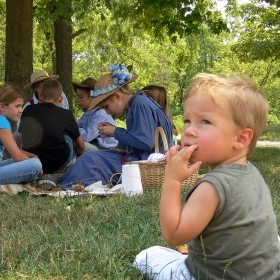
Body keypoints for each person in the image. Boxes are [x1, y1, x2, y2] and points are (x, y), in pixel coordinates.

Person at [134, 73, 280, 279]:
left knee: (147, 256)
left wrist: (172, 180)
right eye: (187, 120)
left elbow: (174, 235)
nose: (189, 131)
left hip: (213, 275)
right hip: (265, 274)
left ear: (241, 138)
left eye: (204, 121)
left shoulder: (211, 187)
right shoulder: (252, 174)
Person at [60, 63, 173, 190]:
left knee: (90, 159)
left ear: (117, 97)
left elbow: (145, 142)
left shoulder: (138, 105)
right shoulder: (140, 102)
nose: (107, 112)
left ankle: (67, 182)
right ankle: (63, 180)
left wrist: (115, 131)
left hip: (147, 164)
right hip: (144, 159)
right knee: (96, 156)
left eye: (106, 106)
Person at [18, 79, 85, 174]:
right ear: (61, 99)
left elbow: (22, 137)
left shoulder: (28, 109)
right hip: (59, 162)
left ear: (40, 96)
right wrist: (79, 154)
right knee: (67, 133)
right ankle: (72, 162)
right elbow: (81, 145)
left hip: (33, 160)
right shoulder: (66, 114)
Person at [0, 84, 42, 184]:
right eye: (17, 106)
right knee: (35, 165)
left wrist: (32, 155)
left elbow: (11, 150)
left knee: (32, 161)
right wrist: (32, 162)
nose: (21, 110)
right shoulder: (2, 122)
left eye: (21, 106)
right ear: (2, 106)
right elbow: (17, 156)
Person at [73, 77, 118, 152]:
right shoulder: (88, 113)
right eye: (77, 96)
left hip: (105, 149)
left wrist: (71, 127)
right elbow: (78, 124)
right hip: (94, 144)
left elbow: (86, 137)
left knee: (77, 144)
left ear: (92, 98)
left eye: (81, 97)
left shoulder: (100, 114)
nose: (77, 100)